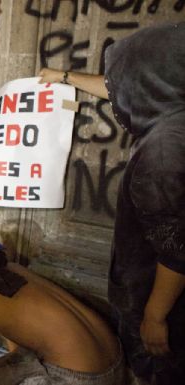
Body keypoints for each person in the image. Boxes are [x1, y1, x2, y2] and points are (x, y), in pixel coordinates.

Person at [39, 21, 185, 384]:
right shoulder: (173, 112)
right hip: (157, 296)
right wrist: (64, 76)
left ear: (149, 84)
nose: (117, 91)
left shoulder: (165, 152)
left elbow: (176, 249)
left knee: (157, 369)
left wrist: (154, 316)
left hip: (158, 302)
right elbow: (118, 87)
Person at [0, 215, 125, 385]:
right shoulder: (14, 270)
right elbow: (15, 339)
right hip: (117, 360)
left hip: (84, 378)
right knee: (19, 358)